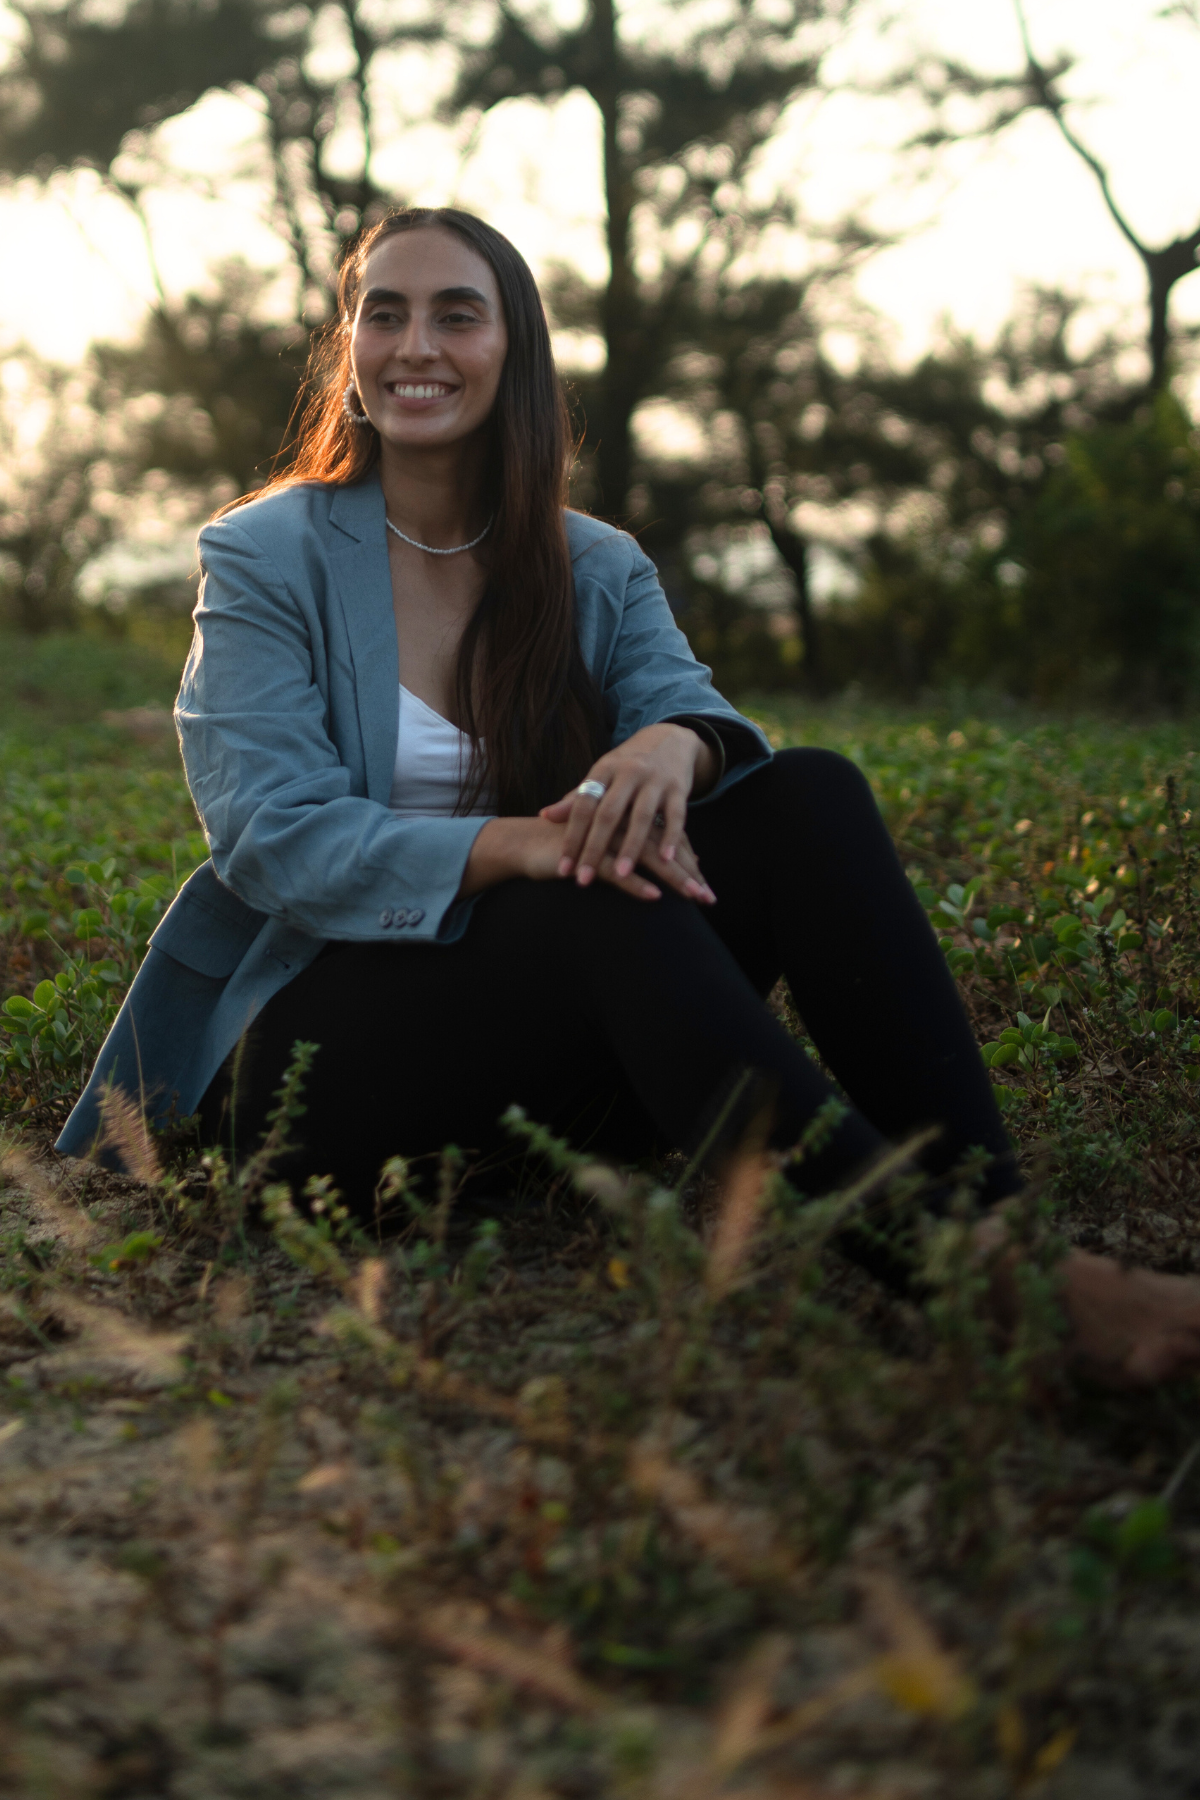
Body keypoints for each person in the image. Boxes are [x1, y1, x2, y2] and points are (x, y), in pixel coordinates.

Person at [58, 206, 1200, 1387]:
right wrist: (517, 849)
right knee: (593, 883)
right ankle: (990, 1287)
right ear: (349, 349)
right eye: (382, 314)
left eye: (458, 313)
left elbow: (704, 713)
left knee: (808, 796)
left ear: (515, 351)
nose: (416, 346)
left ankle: (999, 1227)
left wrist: (672, 747)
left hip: (549, 1050)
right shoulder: (265, 555)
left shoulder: (594, 564)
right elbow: (271, 839)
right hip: (318, 1076)